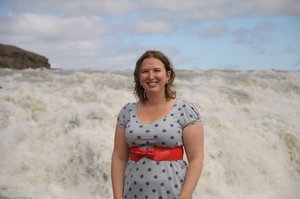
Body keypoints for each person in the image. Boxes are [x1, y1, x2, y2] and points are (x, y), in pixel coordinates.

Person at [111, 50, 204, 199]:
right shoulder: (127, 111)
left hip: (174, 192)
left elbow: (196, 159)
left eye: (156, 70)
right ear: (139, 78)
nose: (151, 76)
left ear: (168, 76)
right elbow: (119, 157)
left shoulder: (185, 110)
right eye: (145, 71)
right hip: (132, 193)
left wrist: (185, 197)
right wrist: (117, 197)